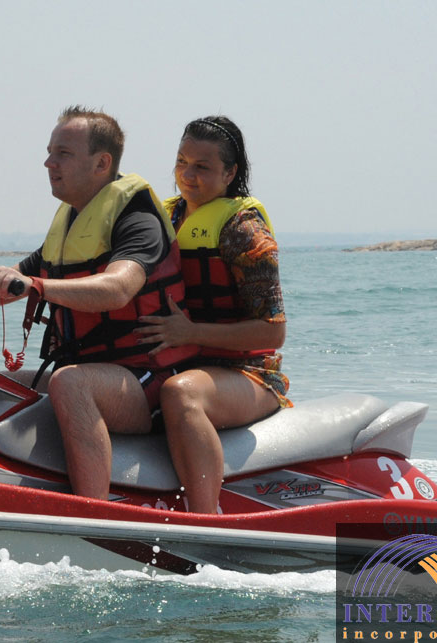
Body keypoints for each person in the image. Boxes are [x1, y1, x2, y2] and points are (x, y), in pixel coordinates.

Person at [0, 106, 197, 499]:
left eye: (63, 153)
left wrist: (37, 286)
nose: (49, 163)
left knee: (70, 382)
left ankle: (93, 513)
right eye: (49, 152)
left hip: (148, 380)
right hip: (102, 375)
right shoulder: (72, 221)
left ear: (101, 163)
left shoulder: (137, 219)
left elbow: (118, 288)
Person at [136, 116, 290, 514]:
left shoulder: (245, 231)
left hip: (249, 374)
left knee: (181, 393)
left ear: (230, 173)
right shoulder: (163, 218)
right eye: (181, 161)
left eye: (202, 167)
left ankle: (205, 520)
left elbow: (272, 333)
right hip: (176, 359)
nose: (187, 175)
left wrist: (189, 333)